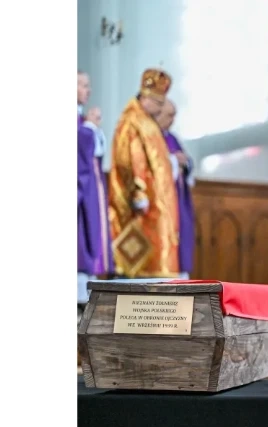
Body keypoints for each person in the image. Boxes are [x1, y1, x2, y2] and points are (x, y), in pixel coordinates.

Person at [107, 68, 180, 278]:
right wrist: (139, 191)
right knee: (141, 259)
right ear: (145, 97)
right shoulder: (132, 121)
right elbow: (131, 157)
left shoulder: (146, 119)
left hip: (157, 200)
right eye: (158, 103)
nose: (160, 108)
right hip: (144, 203)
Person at [77, 70, 112, 303]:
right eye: (82, 84)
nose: (88, 90)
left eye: (88, 85)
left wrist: (90, 128)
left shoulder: (82, 121)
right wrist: (88, 129)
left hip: (87, 190)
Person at [155, 99, 195, 279]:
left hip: (178, 200)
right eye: (169, 115)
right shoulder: (151, 137)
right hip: (161, 201)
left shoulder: (172, 138)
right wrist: (172, 160)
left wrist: (185, 162)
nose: (172, 120)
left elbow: (187, 162)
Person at [82, 107, 110, 179]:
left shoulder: (98, 131)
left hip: (98, 166)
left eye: (100, 118)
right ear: (90, 116)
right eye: (97, 118)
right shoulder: (85, 132)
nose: (99, 121)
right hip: (88, 171)